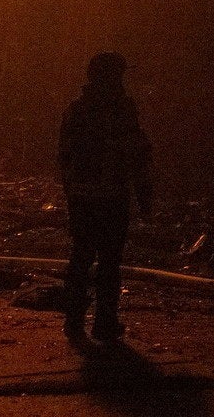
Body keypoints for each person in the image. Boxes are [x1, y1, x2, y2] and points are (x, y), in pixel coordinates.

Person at [57, 52, 152, 344]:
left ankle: (74, 321)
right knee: (109, 262)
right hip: (112, 196)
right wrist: (144, 194)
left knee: (81, 257)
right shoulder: (122, 110)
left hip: (84, 198)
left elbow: (64, 157)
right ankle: (104, 323)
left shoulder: (77, 110)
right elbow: (136, 152)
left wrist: (71, 192)